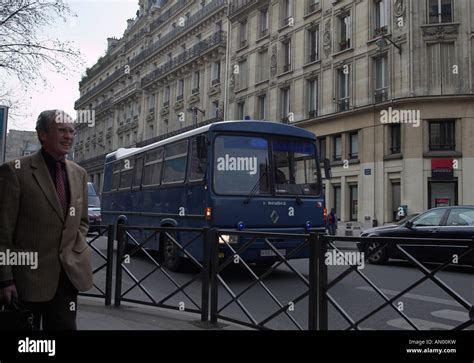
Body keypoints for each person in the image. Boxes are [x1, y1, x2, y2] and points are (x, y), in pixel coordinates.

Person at [0, 110, 93, 330]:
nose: (69, 136)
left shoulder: (79, 174)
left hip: (67, 280)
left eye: (72, 131)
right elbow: (2, 232)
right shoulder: (15, 171)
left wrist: (74, 249)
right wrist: (5, 280)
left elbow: (82, 221)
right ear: (42, 134)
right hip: (26, 282)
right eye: (61, 130)